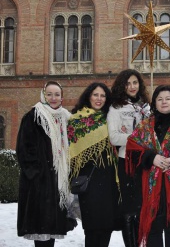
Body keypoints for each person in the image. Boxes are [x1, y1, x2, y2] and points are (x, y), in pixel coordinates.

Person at [125, 85, 170, 247]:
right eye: (159, 99)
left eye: (168, 98)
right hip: (150, 187)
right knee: (153, 229)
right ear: (154, 103)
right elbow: (132, 148)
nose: (164, 102)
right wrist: (151, 157)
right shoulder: (145, 125)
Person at [16, 81, 74, 247]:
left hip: (58, 182)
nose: (53, 98)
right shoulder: (34, 116)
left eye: (57, 94)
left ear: (62, 97)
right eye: (49, 94)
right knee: (40, 229)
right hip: (39, 183)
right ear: (43, 95)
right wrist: (36, 174)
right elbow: (24, 148)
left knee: (52, 229)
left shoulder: (65, 117)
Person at [68, 82, 119, 247]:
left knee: (107, 227)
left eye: (103, 95)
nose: (99, 99)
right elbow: (71, 151)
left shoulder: (110, 118)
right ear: (88, 96)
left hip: (109, 179)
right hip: (88, 180)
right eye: (95, 95)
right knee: (91, 228)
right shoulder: (76, 120)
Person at [107, 69, 151, 247]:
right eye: (128, 83)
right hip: (127, 161)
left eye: (135, 82)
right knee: (130, 207)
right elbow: (114, 137)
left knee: (144, 206)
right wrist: (137, 138)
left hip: (147, 161)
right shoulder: (116, 107)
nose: (132, 87)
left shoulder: (147, 107)